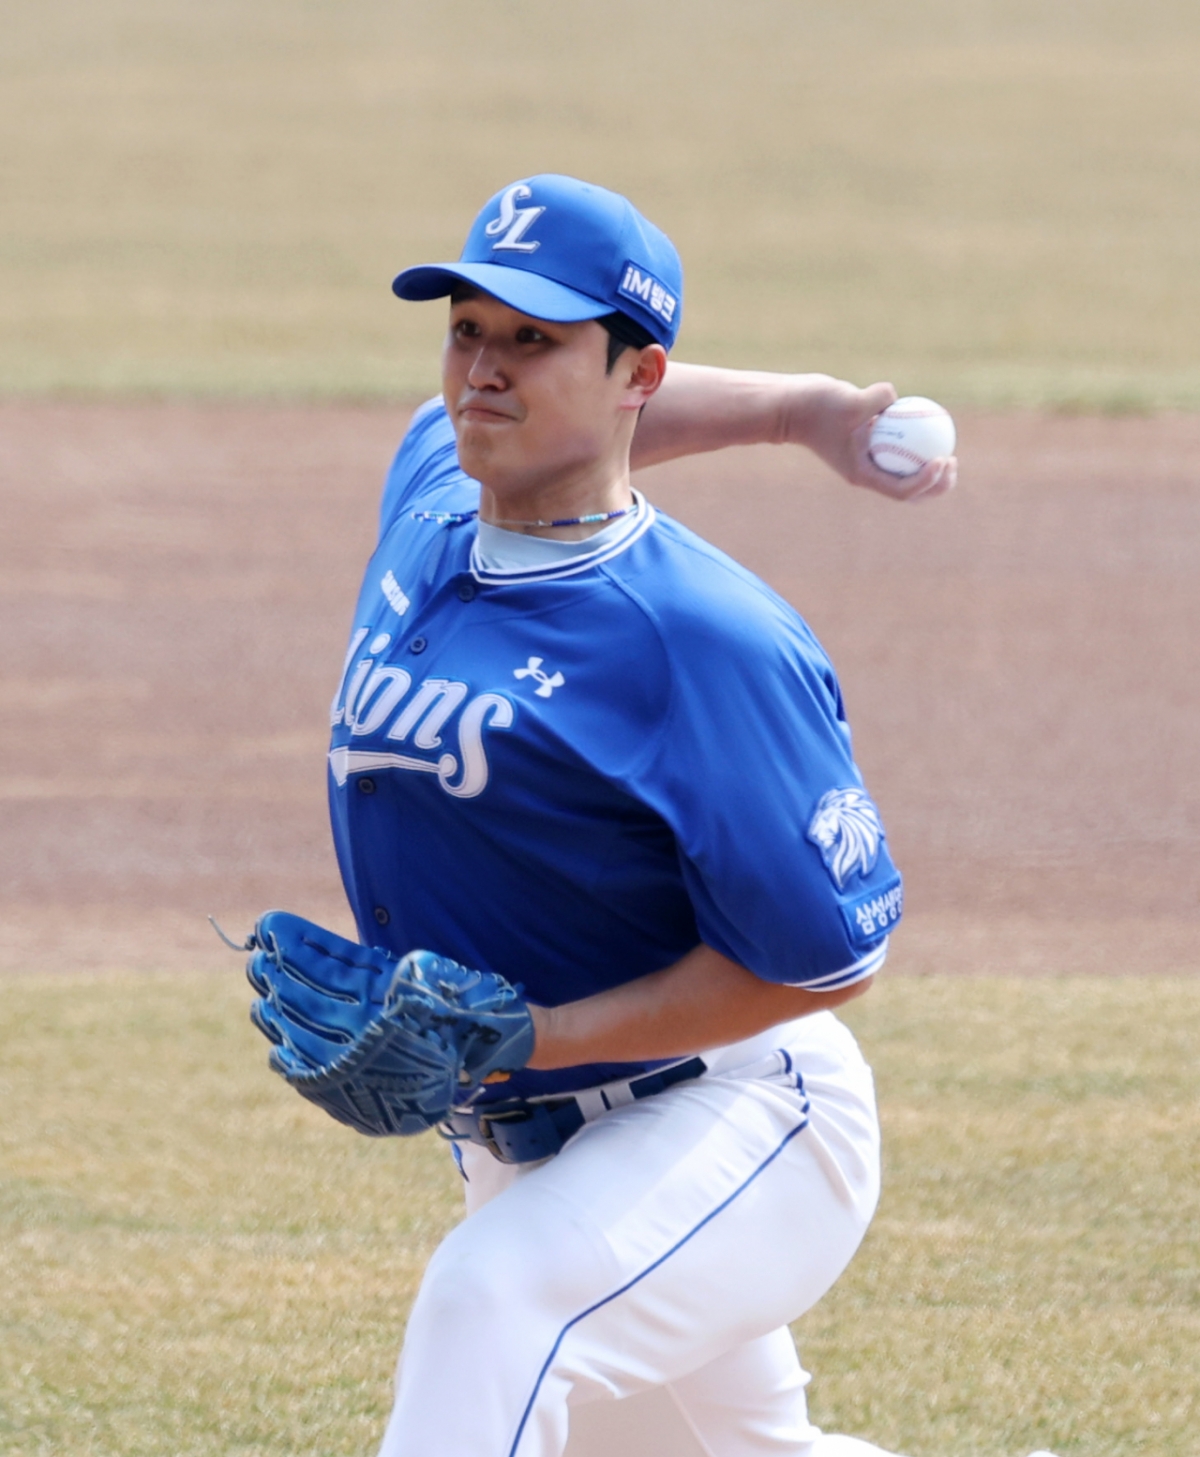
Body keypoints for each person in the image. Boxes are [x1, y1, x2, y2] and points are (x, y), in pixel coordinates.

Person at [321, 173, 1028, 1457]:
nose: (484, 371)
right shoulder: (432, 501)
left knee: (491, 1305)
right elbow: (528, 413)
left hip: (740, 1120)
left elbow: (825, 958)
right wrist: (798, 411)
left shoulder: (700, 638)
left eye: (533, 338)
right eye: (467, 329)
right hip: (530, 1145)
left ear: (634, 373)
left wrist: (534, 1035)